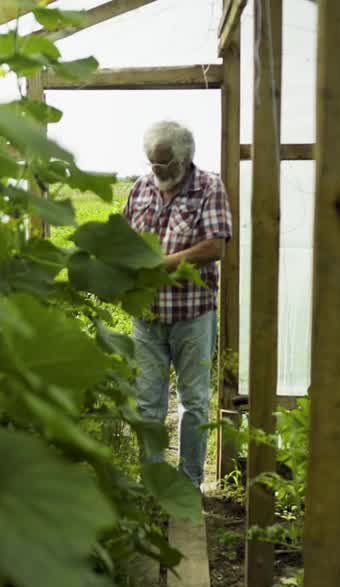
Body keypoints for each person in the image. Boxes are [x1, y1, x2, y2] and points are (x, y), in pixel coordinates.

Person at [121, 120, 232, 488]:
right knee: (148, 403)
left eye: (166, 165)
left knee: (194, 402)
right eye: (154, 164)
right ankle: (153, 484)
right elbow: (123, 240)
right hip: (147, 316)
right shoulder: (139, 189)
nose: (159, 172)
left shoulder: (209, 187)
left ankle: (188, 485)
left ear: (186, 158)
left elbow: (214, 246)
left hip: (191, 314)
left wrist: (158, 265)